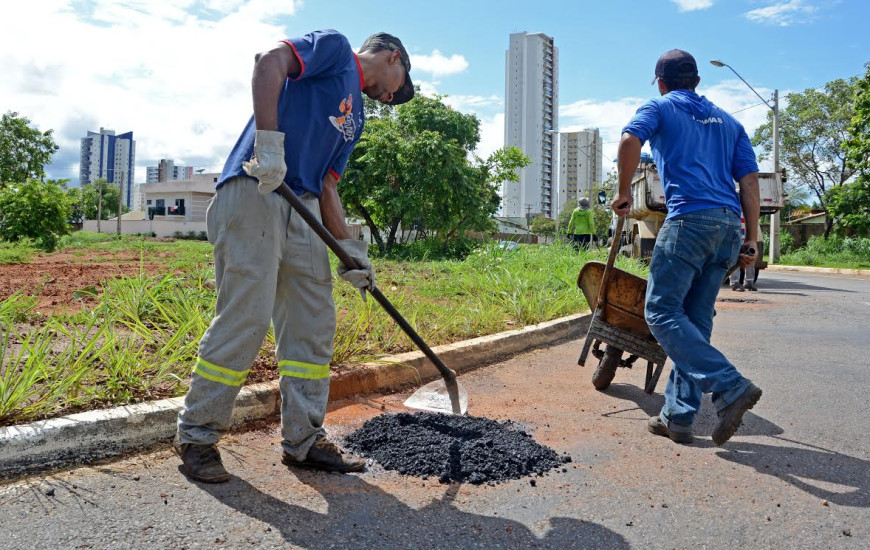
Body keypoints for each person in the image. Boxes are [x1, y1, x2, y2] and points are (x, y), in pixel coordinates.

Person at [173, 30, 414, 483]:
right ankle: (197, 437)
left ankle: (304, 441)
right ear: (393, 57)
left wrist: (351, 252)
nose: (391, 97)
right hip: (257, 189)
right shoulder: (336, 51)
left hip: (303, 208)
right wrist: (269, 144)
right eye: (397, 86)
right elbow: (268, 61)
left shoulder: (356, 118)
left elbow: (328, 187)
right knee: (245, 317)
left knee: (312, 324)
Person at [613, 49, 762, 446]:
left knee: (661, 311)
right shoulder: (730, 122)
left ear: (661, 83)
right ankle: (678, 417)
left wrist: (624, 191)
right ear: (697, 81)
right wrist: (753, 237)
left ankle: (730, 385)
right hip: (729, 226)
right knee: (695, 322)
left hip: (690, 221)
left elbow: (629, 140)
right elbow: (749, 182)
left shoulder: (660, 107)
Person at [731, 219, 762, 291]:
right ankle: (735, 283)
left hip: (748, 238)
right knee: (735, 259)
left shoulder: (749, 209)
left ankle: (749, 282)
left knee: (750, 258)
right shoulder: (736, 208)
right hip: (736, 236)